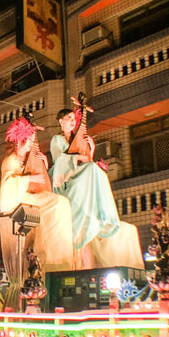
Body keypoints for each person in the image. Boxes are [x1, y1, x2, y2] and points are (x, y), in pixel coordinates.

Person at [51, 106, 144, 269]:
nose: (72, 121)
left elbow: (86, 161)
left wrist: (91, 150)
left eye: (74, 119)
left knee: (97, 170)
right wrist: (78, 157)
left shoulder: (77, 138)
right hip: (64, 177)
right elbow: (59, 160)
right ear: (61, 121)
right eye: (69, 118)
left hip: (80, 173)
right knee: (92, 169)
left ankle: (100, 210)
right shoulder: (57, 140)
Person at [0, 117, 74, 278]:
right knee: (58, 203)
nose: (31, 144)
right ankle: (47, 257)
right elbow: (8, 186)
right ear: (20, 142)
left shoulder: (27, 159)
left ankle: (56, 258)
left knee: (61, 203)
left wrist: (43, 166)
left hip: (31, 195)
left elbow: (39, 177)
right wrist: (30, 179)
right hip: (20, 199)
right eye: (29, 141)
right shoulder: (10, 160)